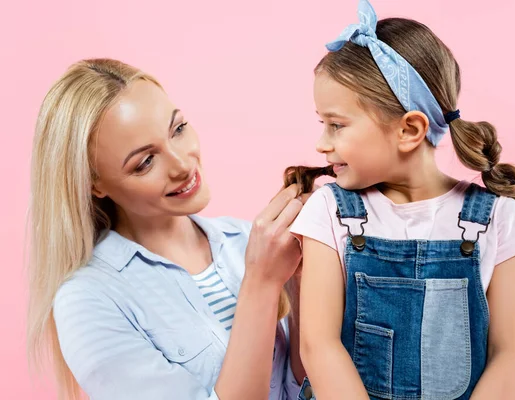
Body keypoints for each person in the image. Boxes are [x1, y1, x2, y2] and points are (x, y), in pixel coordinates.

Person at [290, 1, 515, 399]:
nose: (321, 144)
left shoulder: (502, 221)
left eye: (336, 125)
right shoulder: (329, 212)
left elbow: (510, 358)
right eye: (322, 124)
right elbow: (320, 345)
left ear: (409, 130)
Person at [27, 58, 306, 400]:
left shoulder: (249, 240)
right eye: (145, 162)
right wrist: (262, 282)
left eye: (178, 129)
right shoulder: (88, 300)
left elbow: (303, 388)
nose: (182, 164)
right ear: (94, 184)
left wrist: (303, 282)